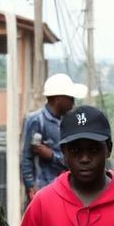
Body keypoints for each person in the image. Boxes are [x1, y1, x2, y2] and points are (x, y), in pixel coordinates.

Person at [20, 72, 87, 201]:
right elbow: (26, 157)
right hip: (44, 190)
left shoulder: (72, 122)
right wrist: (30, 186)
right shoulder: (35, 120)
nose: (73, 102)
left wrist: (51, 156)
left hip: (69, 191)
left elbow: (75, 161)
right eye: (70, 98)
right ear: (58, 99)